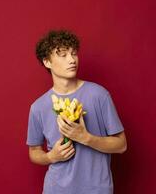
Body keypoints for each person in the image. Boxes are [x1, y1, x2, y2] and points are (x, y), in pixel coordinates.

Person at [26, 29, 127, 194]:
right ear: (47, 62)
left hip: (97, 190)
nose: (72, 60)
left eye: (74, 54)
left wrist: (86, 138)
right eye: (63, 55)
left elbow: (121, 145)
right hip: (55, 189)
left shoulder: (99, 95)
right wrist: (51, 157)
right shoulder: (38, 107)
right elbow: (34, 151)